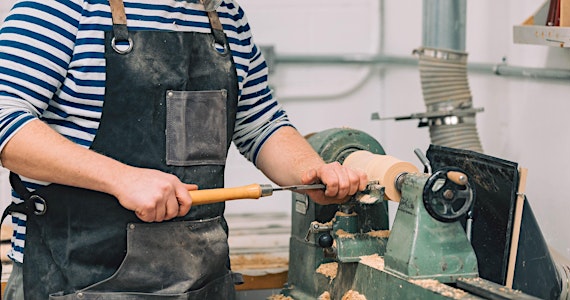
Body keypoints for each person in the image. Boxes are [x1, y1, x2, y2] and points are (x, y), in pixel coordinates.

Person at [0, 0, 367, 299]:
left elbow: (260, 120)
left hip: (201, 284)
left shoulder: (225, 17)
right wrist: (121, 178)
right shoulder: (62, 8)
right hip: (76, 283)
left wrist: (310, 170)